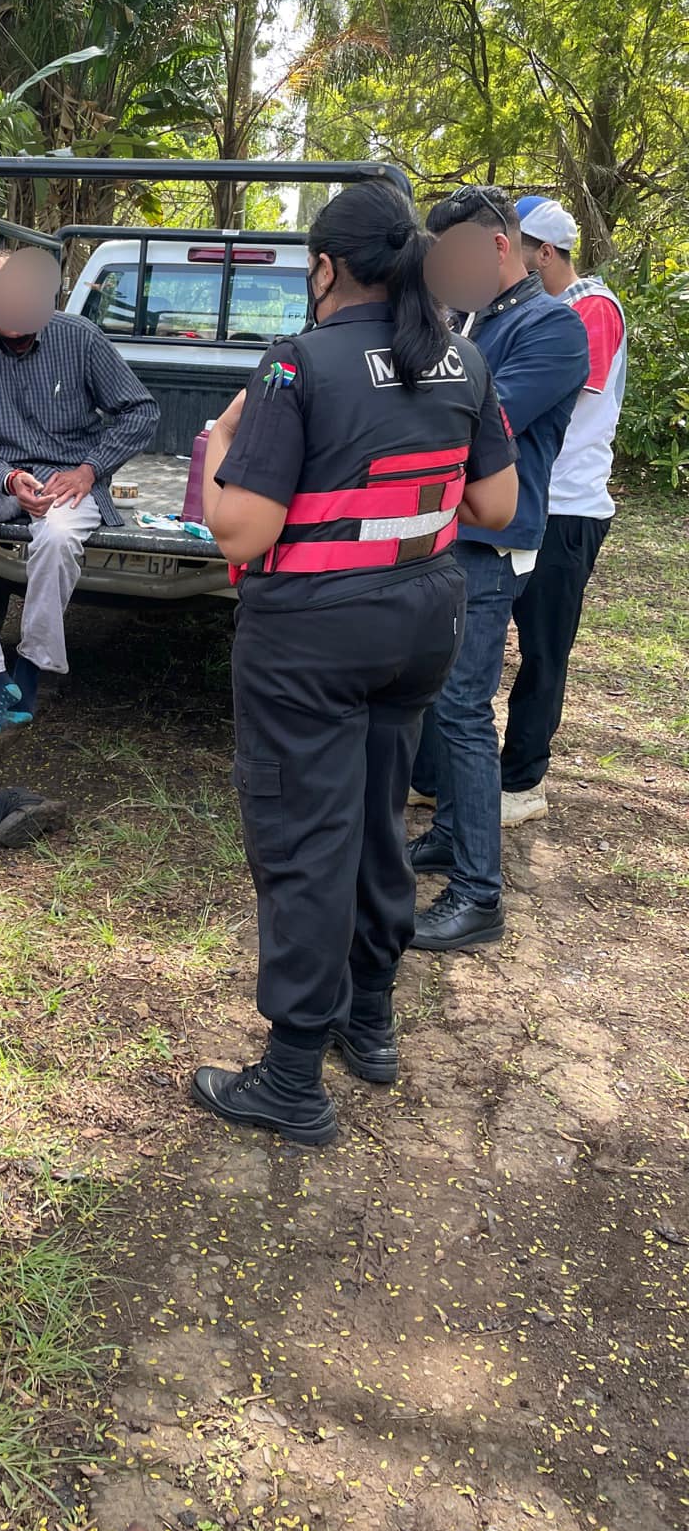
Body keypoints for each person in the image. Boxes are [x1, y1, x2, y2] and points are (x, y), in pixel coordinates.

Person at [189, 180, 519, 1146]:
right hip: (421, 626)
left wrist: (217, 443)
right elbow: (494, 508)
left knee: (305, 840)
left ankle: (292, 1080)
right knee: (378, 819)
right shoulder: (459, 358)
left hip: (311, 645)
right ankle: (368, 1023)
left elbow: (242, 531)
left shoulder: (298, 367)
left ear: (325, 268)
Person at [407, 188, 589, 950]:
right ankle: (451, 834)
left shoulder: (553, 325)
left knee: (462, 710)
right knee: (440, 701)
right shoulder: (480, 319)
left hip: (492, 539)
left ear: (498, 247)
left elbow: (482, 423)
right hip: (449, 534)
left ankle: (479, 892)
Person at [0, 248, 159, 750]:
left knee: (55, 538)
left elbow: (140, 411)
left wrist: (88, 469)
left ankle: (30, 665)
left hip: (68, 473)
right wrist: (9, 478)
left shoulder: (79, 338)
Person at [497, 198, 626, 825]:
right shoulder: (528, 312)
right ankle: (449, 775)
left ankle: (521, 781)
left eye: (513, 249)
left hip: (567, 506)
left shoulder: (591, 310)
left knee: (543, 649)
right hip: (527, 499)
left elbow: (565, 398)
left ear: (542, 252)